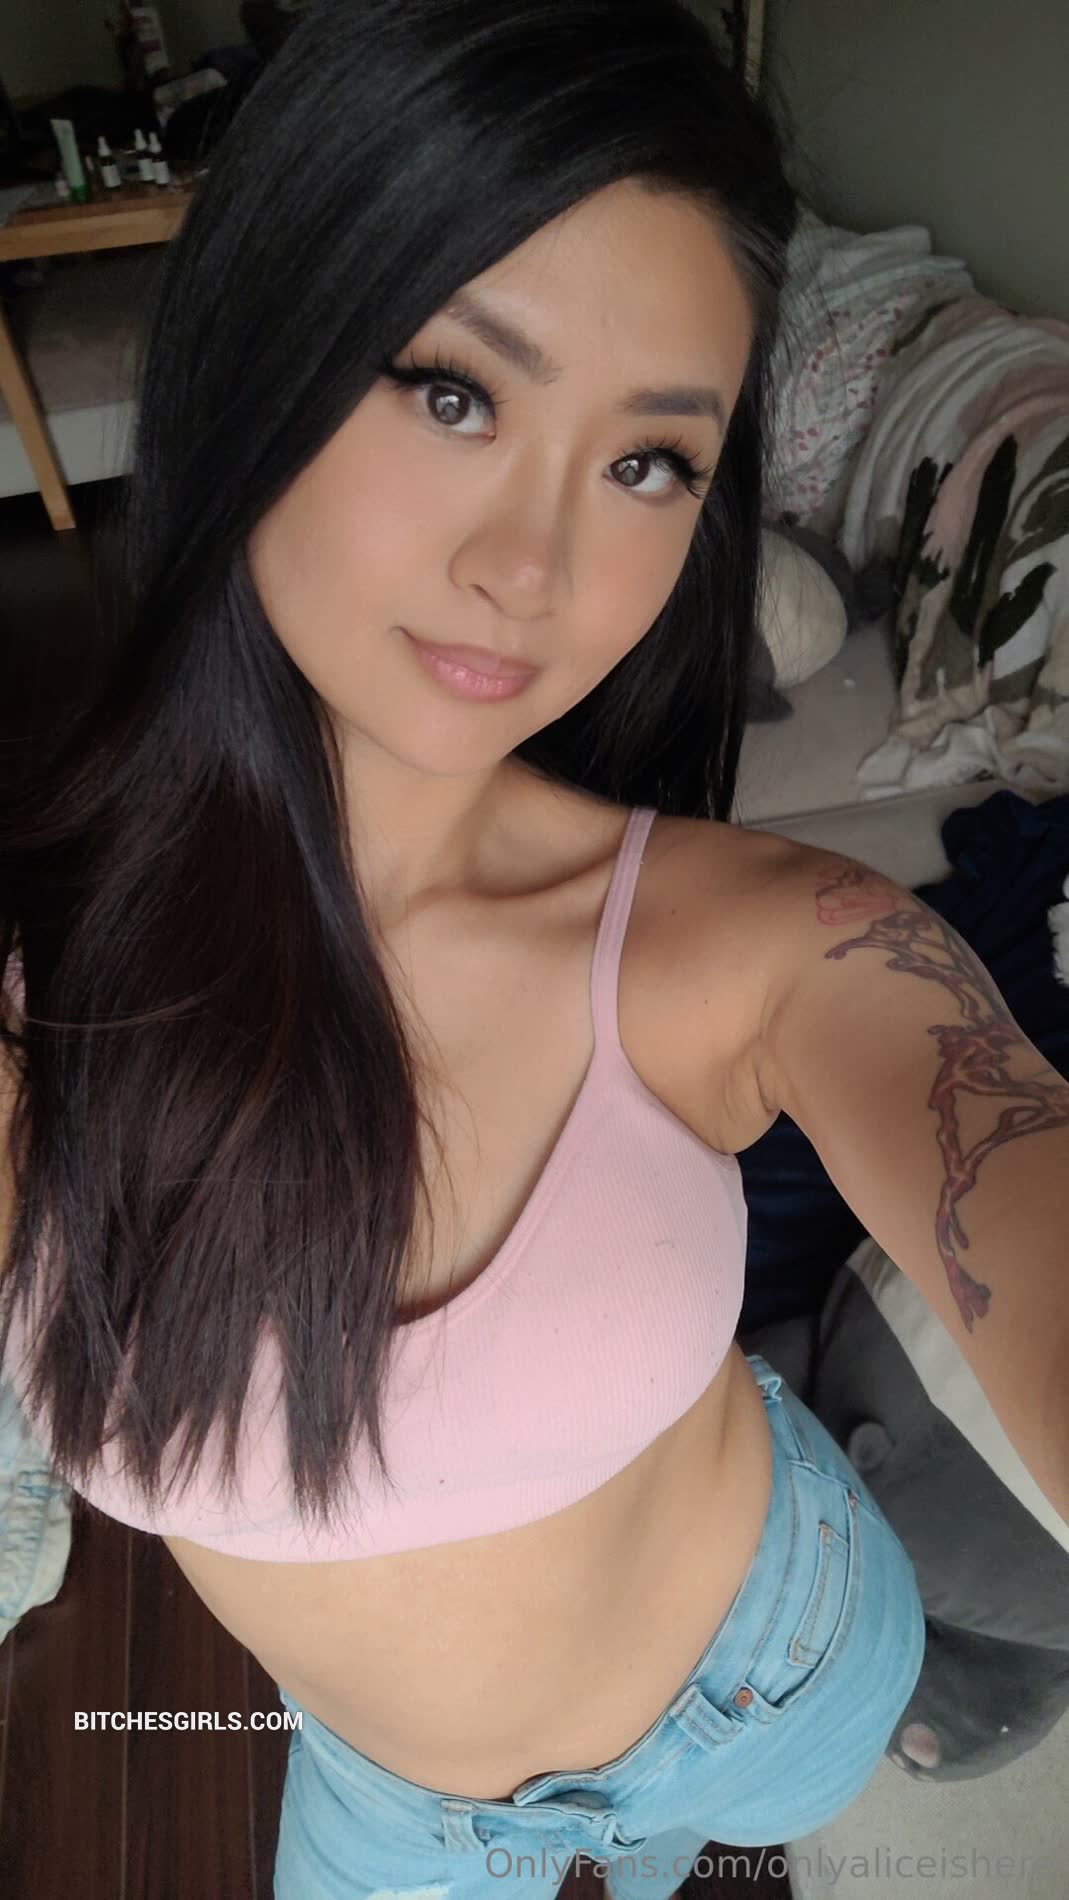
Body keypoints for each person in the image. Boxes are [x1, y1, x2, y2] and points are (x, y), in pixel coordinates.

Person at [1, 2, 1065, 1896]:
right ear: (259, 347)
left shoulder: (767, 941)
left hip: (778, 1662)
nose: (535, 571)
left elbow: (1009, 1166)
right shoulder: (42, 987)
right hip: (389, 1809)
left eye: (649, 462)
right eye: (453, 393)